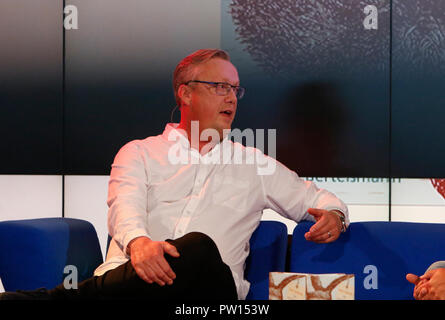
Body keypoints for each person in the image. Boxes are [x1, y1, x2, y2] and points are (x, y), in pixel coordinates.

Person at [0, 49, 349, 300]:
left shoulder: (254, 164)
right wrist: (139, 244)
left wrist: (334, 215)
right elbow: (125, 206)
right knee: (159, 263)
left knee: (198, 246)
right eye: (219, 87)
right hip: (132, 284)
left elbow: (317, 198)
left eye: (235, 89)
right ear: (186, 93)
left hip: (208, 297)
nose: (231, 98)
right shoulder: (139, 152)